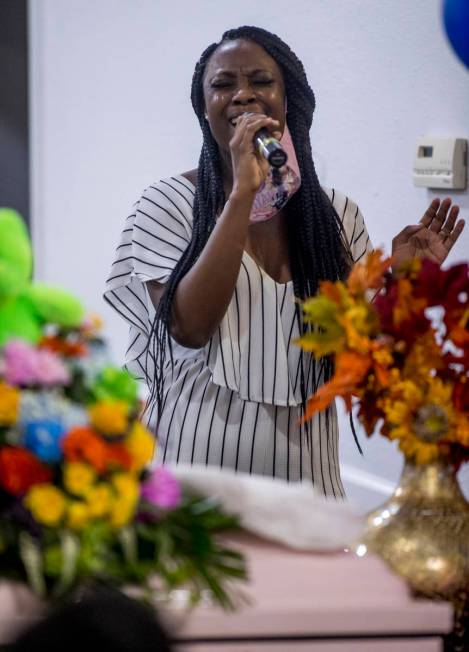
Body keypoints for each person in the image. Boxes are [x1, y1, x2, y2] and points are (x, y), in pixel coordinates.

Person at [105, 26, 464, 498]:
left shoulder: (333, 215)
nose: (242, 95)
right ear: (204, 107)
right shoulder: (166, 205)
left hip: (310, 491)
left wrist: (399, 279)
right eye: (222, 84)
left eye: (260, 81)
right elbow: (189, 326)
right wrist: (241, 193)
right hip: (194, 490)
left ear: (287, 98)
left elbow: (357, 351)